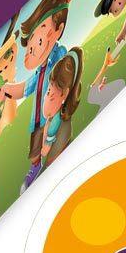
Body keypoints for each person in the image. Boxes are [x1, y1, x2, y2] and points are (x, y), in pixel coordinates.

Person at [1, 0, 80, 187]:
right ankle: (36, 166)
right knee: (35, 151)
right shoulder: (40, 69)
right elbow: (27, 87)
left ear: (58, 31)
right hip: (37, 120)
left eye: (41, 32)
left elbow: (65, 78)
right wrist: (5, 89)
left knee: (52, 144)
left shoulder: (59, 59)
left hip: (52, 116)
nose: (32, 45)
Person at [36, 47, 84, 184]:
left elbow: (47, 148)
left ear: (65, 94)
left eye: (50, 92)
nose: (47, 95)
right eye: (48, 89)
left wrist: (46, 146)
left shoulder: (58, 123)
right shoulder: (55, 118)